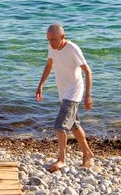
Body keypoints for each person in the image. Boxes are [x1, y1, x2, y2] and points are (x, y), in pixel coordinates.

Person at [35, 23, 94, 172]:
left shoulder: (72, 49)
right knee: (74, 125)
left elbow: (87, 72)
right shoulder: (52, 47)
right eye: (48, 40)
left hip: (74, 91)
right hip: (63, 92)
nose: (51, 43)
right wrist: (41, 84)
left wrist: (87, 95)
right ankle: (87, 153)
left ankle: (62, 160)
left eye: (54, 39)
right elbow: (49, 65)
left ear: (62, 37)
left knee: (60, 125)